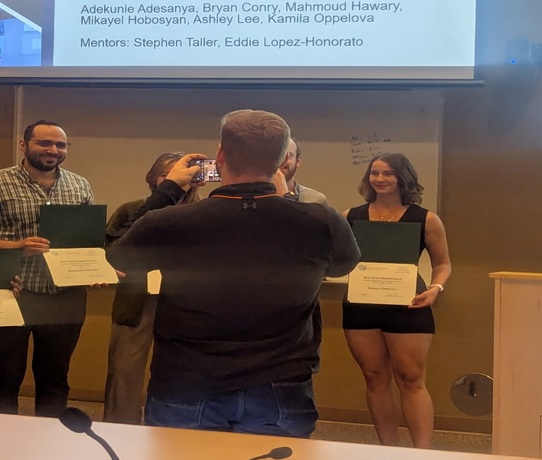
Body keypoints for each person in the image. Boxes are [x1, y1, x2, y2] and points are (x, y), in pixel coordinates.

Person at [108, 110, 360, 438]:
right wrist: (285, 202)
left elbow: (119, 255)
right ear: (284, 159)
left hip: (185, 382)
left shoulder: (170, 222)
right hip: (281, 385)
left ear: (221, 155)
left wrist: (168, 188)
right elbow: (343, 264)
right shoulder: (321, 220)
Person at [0, 119, 95, 417]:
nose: (53, 150)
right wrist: (16, 247)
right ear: (24, 145)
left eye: (60, 145)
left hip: (65, 296)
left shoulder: (80, 185)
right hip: (12, 292)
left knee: (55, 378)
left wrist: (95, 270)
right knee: (5, 376)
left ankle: (49, 441)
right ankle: (1, 443)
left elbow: (87, 241)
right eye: (44, 143)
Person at [342, 152, 451, 449]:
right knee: (374, 376)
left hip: (410, 304)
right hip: (360, 306)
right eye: (374, 173)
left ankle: (422, 453)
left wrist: (436, 288)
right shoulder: (350, 216)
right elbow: (336, 258)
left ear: (403, 177)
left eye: (388, 173)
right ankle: (387, 450)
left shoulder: (426, 218)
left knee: (411, 377)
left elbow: (443, 264)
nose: (380, 179)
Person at [102, 152, 203, 424]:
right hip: (135, 300)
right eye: (166, 175)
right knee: (125, 370)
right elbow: (110, 250)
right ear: (154, 178)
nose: (177, 180)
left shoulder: (206, 213)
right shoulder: (132, 209)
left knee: (183, 371)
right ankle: (120, 429)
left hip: (187, 304)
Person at [278, 138, 329, 206]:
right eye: (277, 155)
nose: (281, 160)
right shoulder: (259, 198)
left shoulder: (315, 200)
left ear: (298, 161)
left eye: (289, 155)